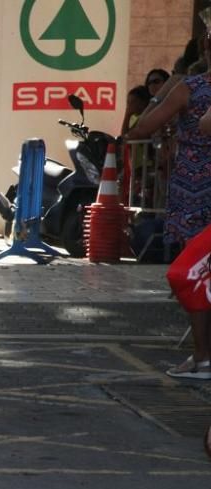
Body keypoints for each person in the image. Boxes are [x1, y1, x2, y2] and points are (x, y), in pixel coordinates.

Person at [127, 38, 211, 379]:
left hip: (193, 188)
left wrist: (160, 99)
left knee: (191, 272)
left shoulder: (190, 88)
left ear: (207, 52)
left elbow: (141, 129)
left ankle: (203, 356)